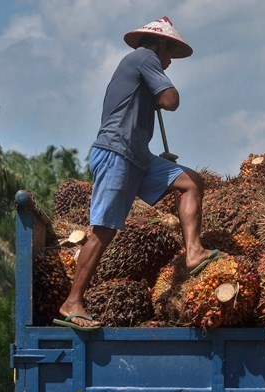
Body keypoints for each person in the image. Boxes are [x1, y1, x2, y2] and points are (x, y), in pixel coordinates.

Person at [54, 17, 222, 330]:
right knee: (104, 230)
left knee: (190, 182)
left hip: (137, 157)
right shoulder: (144, 58)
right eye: (170, 54)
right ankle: (72, 302)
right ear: (161, 45)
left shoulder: (141, 68)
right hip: (117, 154)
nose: (170, 62)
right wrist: (159, 90)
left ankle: (194, 252)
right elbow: (171, 100)